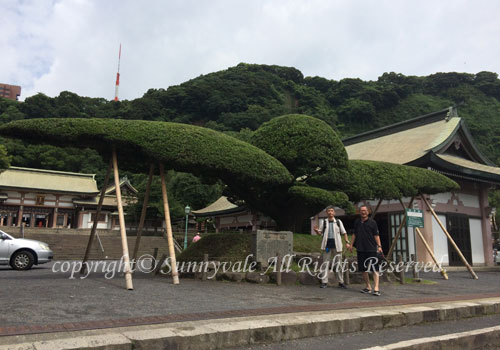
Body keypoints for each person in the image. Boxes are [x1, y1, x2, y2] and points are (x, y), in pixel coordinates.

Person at [349, 205, 383, 296]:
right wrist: (351, 245)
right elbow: (354, 234)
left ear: (368, 212)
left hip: (371, 248)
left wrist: (379, 246)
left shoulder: (373, 222)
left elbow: (376, 235)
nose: (363, 212)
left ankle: (376, 288)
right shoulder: (357, 222)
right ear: (359, 212)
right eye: (361, 210)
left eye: (365, 210)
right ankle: (368, 287)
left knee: (374, 268)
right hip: (360, 249)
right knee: (363, 269)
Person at [314, 206, 350, 289]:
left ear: (334, 213)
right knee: (325, 264)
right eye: (329, 211)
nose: (330, 212)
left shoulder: (338, 221)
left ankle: (341, 282)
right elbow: (320, 233)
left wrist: (347, 242)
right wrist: (316, 231)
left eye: (332, 211)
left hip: (337, 245)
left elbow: (344, 232)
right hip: (327, 245)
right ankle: (324, 282)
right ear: (327, 213)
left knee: (339, 264)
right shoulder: (324, 222)